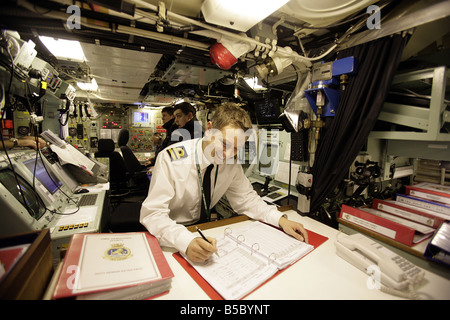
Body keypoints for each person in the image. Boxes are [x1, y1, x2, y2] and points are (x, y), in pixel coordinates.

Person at [140, 102, 308, 263]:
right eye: (225, 143)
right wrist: (185, 240)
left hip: (206, 231)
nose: (228, 154)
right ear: (208, 130)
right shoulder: (171, 159)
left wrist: (281, 220)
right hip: (172, 234)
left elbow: (247, 200)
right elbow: (153, 214)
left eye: (236, 149)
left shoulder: (232, 164)